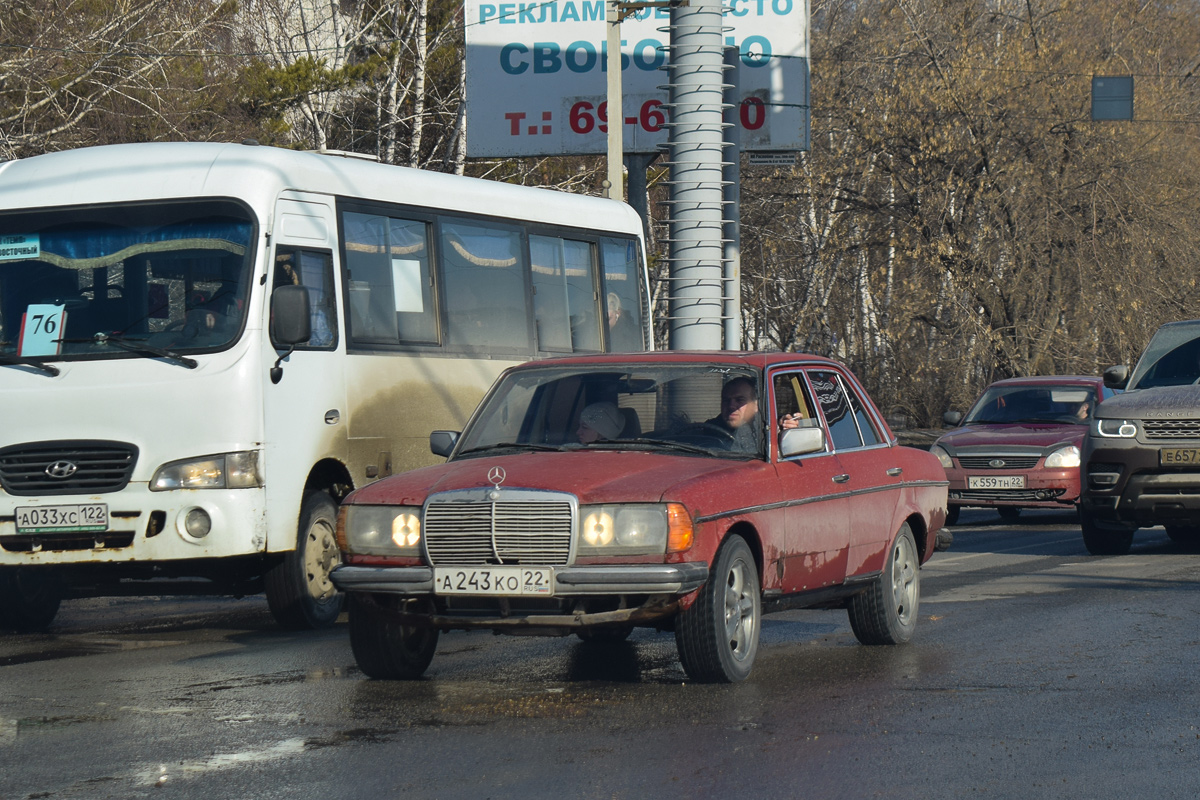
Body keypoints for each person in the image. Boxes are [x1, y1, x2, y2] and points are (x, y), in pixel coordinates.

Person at [705, 376, 761, 452]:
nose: (731, 406)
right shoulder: (708, 430)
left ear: (755, 405)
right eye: (726, 400)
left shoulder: (766, 433)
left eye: (739, 400)